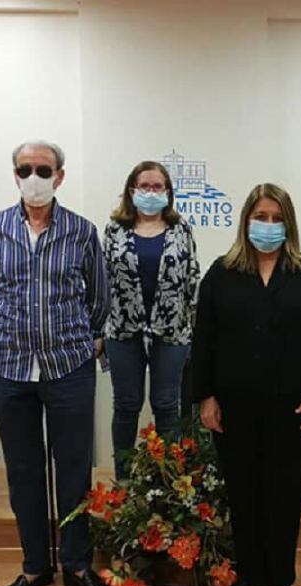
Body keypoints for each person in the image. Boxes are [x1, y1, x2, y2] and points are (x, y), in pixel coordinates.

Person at [193, 183, 301, 586]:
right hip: (234, 408)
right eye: (261, 217)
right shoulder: (221, 274)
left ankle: (281, 584)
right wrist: (205, 396)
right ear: (246, 221)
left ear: (289, 224)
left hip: (292, 409)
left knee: (284, 497)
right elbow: (204, 341)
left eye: (277, 219)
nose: (269, 226)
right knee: (244, 498)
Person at [0, 140, 113, 586]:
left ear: (59, 177)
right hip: (10, 368)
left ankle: (78, 564)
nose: (33, 176)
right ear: (14, 174)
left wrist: (82, 337)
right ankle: (35, 565)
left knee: (74, 469)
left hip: (69, 367)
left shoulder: (81, 231)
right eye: (24, 168)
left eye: (43, 169)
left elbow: (99, 298)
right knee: (23, 471)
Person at [102, 161, 200, 479]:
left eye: (158, 187)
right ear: (132, 191)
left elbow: (192, 280)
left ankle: (168, 482)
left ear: (168, 193)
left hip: (170, 332)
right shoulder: (114, 230)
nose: (150, 192)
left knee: (167, 406)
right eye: (144, 186)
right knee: (127, 405)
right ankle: (124, 478)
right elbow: (103, 282)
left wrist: (196, 328)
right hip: (123, 330)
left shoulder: (181, 229)